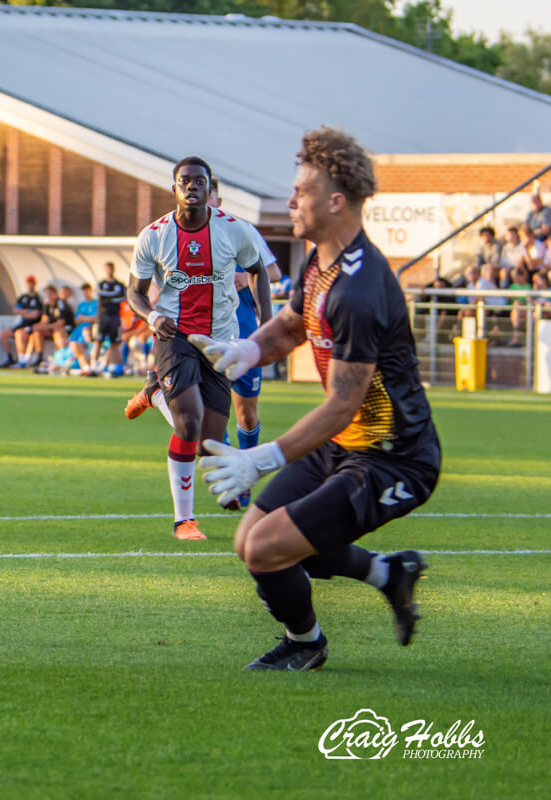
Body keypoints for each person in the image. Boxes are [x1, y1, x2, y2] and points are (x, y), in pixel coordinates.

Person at [191, 127, 438, 671]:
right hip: (346, 443)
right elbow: (289, 324)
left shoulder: (361, 288)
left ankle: (306, 645)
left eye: (300, 191)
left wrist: (261, 457)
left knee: (266, 549)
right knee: (250, 539)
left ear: (335, 200)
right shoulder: (320, 258)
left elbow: (343, 405)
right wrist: (248, 351)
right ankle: (388, 575)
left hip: (393, 457)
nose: (289, 201)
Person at [126, 156, 272, 541]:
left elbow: (259, 271)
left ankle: (156, 394)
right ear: (174, 188)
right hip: (174, 336)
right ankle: (184, 522)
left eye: (199, 181)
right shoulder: (154, 235)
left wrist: (266, 324)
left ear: (211, 190)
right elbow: (135, 293)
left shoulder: (235, 231)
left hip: (221, 340)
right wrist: (153, 317)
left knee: (208, 444)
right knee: (188, 418)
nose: (192, 186)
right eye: (184, 181)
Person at [0, 275, 43, 367]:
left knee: (19, 334)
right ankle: (9, 358)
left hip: (32, 326)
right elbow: (14, 310)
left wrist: (23, 312)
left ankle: (22, 359)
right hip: (22, 324)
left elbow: (35, 315)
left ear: (35, 283)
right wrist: (26, 312)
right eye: (28, 282)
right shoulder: (23, 297)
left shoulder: (38, 298)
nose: (30, 284)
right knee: (3, 334)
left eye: (31, 282)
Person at [92, 262, 125, 375]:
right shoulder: (101, 283)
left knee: (114, 342)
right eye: (107, 269)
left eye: (110, 268)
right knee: (98, 341)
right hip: (103, 316)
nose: (109, 271)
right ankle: (94, 367)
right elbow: (100, 294)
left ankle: (113, 367)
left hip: (115, 316)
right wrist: (112, 296)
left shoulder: (119, 284)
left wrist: (108, 297)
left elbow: (121, 297)